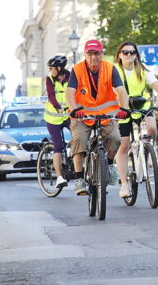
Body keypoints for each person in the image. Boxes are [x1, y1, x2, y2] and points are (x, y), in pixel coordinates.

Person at [65, 39, 130, 195]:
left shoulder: (110, 69)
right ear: (85, 54)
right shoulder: (77, 69)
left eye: (97, 53)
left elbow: (121, 91)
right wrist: (74, 110)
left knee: (115, 138)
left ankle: (108, 164)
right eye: (90, 53)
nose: (94, 57)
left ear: (102, 53)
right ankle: (79, 178)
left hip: (106, 115)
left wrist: (124, 109)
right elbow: (69, 93)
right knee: (79, 139)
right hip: (82, 116)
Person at [113, 41, 158, 198]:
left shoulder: (142, 69)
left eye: (132, 52)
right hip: (123, 109)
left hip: (142, 105)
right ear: (119, 55)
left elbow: (155, 84)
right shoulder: (115, 71)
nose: (129, 55)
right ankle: (124, 185)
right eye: (126, 52)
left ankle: (148, 149)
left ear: (136, 55)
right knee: (124, 146)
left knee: (152, 128)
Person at [44, 55, 71, 189]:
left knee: (79, 135)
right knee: (58, 146)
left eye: (52, 68)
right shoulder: (49, 79)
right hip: (53, 117)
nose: (50, 70)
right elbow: (51, 96)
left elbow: (75, 93)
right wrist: (59, 108)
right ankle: (59, 177)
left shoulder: (70, 77)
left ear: (59, 68)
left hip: (67, 115)